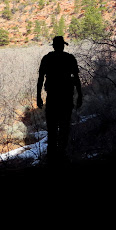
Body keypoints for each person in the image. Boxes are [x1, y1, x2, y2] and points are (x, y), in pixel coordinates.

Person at [37, 36, 82, 164]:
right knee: (64, 128)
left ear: (53, 46)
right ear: (62, 45)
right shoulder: (70, 58)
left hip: (52, 98)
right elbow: (76, 78)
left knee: (52, 129)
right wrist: (80, 95)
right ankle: (61, 156)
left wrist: (38, 97)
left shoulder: (47, 59)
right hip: (66, 98)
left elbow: (40, 79)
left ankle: (52, 158)